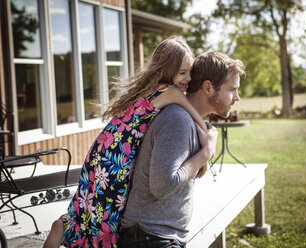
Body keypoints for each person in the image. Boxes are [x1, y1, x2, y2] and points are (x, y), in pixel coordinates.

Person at [43, 36, 208, 248]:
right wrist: (206, 142)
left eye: (190, 72)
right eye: (182, 72)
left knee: (94, 202)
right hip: (117, 153)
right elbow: (195, 115)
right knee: (109, 208)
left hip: (107, 146)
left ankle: (67, 227)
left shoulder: (151, 89)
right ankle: (66, 229)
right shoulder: (171, 92)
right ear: (167, 69)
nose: (187, 78)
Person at [118, 51, 246, 247]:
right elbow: (163, 186)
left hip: (154, 235)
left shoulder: (188, 120)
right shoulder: (177, 120)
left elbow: (188, 173)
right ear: (208, 87)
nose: (237, 97)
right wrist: (206, 153)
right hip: (150, 237)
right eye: (232, 89)